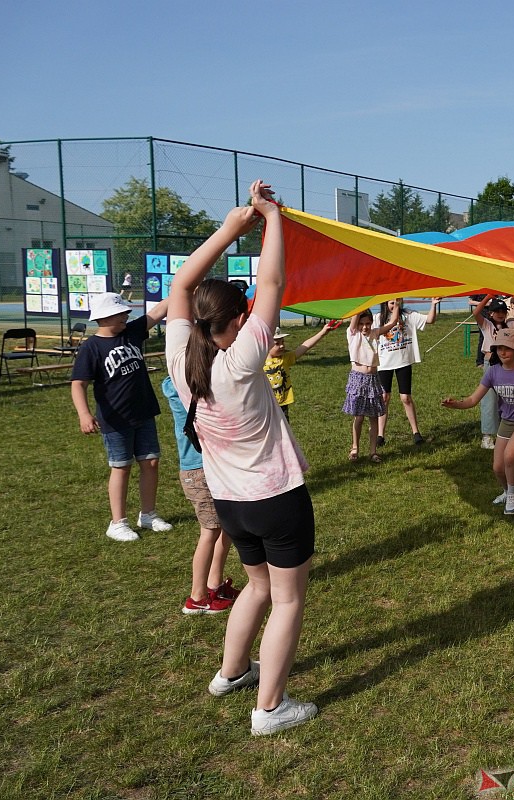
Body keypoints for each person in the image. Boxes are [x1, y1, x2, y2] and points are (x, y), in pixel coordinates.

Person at [166, 179, 318, 736]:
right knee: (286, 600)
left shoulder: (183, 359)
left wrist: (233, 228)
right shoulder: (241, 364)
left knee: (256, 587)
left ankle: (232, 674)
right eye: (244, 314)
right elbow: (272, 280)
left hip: (230, 504)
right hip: (276, 501)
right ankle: (271, 708)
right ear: (235, 323)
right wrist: (270, 217)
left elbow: (183, 282)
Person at [70, 291, 172, 542]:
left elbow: (158, 312)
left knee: (150, 463)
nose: (126, 315)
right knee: (121, 467)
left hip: (144, 412)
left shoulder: (131, 332)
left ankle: (148, 514)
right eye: (121, 313)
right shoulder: (91, 347)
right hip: (115, 420)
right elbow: (78, 384)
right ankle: (118, 523)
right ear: (104, 317)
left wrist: (184, 285)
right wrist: (84, 414)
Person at [442, 328, 514, 515]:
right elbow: (472, 400)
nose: (503, 352)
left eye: (507, 348)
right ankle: (506, 491)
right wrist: (455, 404)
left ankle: (513, 496)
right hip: (507, 420)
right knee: (497, 467)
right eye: (499, 348)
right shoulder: (493, 372)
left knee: (510, 456)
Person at [160, 376, 240, 615]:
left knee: (228, 525)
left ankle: (214, 585)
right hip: (198, 470)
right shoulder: (180, 383)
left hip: (213, 464)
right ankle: (197, 597)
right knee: (210, 531)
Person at [375, 297, 440, 447]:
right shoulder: (377, 318)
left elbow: (430, 320)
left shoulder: (409, 315)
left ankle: (416, 432)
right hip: (384, 364)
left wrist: (434, 304)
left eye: (397, 302)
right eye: (392, 302)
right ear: (385, 303)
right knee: (384, 397)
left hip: (403, 362)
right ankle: (380, 435)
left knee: (406, 398)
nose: (395, 305)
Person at [472, 295, 514, 449]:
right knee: (489, 399)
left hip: (507, 364)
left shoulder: (509, 325)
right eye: (497, 311)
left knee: (508, 396)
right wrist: (487, 297)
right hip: (492, 363)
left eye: (503, 311)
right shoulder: (487, 325)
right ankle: (487, 436)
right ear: (490, 313)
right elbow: (476, 313)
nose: (500, 314)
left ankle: (507, 431)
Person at [343, 308, 395, 463]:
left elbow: (392, 323)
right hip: (357, 379)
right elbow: (354, 319)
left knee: (373, 417)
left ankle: (373, 452)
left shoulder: (375, 333)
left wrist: (397, 305)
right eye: (362, 323)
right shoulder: (353, 334)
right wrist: (360, 305)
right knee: (359, 417)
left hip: (373, 378)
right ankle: (355, 448)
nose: (365, 327)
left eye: (368, 323)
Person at [265, 321, 339, 419]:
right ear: (266, 344)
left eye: (283, 342)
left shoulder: (285, 359)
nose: (282, 345)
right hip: (265, 405)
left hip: (282, 405)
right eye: (277, 343)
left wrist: (322, 333)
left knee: (284, 432)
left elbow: (305, 346)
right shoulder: (258, 362)